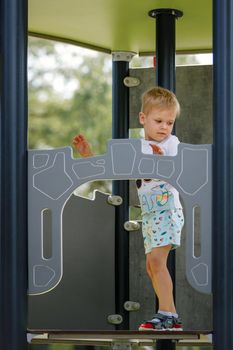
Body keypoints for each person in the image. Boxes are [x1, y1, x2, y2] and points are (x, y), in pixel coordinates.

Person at [72, 86, 184, 331]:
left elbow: (175, 164)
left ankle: (167, 313)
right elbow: (113, 168)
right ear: (143, 119)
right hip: (151, 214)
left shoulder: (172, 144)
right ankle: (171, 316)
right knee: (151, 265)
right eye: (158, 121)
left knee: (156, 261)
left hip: (168, 212)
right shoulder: (137, 148)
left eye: (169, 122)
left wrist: (160, 158)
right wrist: (89, 157)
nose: (164, 127)